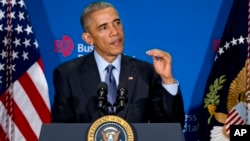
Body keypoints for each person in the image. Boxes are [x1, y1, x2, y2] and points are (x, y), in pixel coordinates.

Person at [51, 1, 185, 128]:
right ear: (88, 38)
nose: (115, 32)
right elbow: (62, 131)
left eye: (117, 23)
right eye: (104, 27)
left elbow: (171, 128)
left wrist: (167, 80)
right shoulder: (68, 74)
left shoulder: (145, 72)